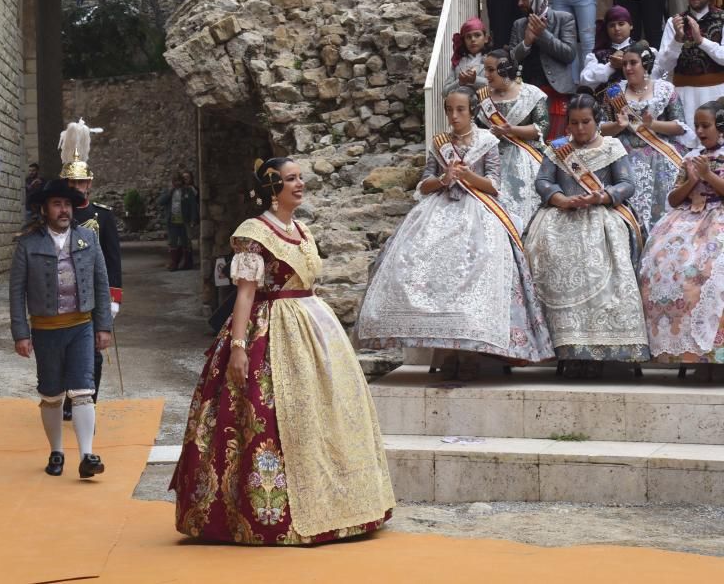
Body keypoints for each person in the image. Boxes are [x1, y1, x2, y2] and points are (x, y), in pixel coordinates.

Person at [171, 157, 395, 544]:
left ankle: (341, 505)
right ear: (272, 189)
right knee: (275, 416)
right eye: (290, 179)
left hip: (311, 325)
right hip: (271, 328)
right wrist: (239, 347)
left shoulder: (302, 229)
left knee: (325, 413)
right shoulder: (253, 233)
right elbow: (244, 294)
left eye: (300, 177)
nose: (299, 184)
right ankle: (273, 515)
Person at [355, 87, 554, 379]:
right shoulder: (440, 144)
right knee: (431, 274)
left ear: (471, 111)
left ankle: (471, 352)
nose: (454, 115)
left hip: (479, 213)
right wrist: (444, 178)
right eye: (450, 110)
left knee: (476, 273)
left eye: (460, 109)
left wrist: (469, 176)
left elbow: (494, 184)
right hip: (439, 211)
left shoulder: (487, 141)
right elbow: (424, 185)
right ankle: (446, 349)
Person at [524, 93, 650, 378]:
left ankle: (601, 349)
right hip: (560, 215)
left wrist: (603, 196)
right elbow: (543, 181)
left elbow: (626, 184)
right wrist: (560, 199)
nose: (580, 129)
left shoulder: (612, 146)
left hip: (602, 216)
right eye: (574, 123)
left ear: (597, 121)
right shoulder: (558, 149)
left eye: (586, 122)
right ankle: (567, 348)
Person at [10, 179, 113, 478]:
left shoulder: (88, 239)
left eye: (67, 204)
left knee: (83, 390)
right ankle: (56, 451)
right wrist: (21, 333)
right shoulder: (27, 244)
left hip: (81, 325)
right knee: (52, 393)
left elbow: (101, 284)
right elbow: (16, 292)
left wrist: (103, 325)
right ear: (44, 209)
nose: (64, 209)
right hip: (45, 329)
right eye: (57, 204)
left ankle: (87, 455)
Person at [639, 98, 724, 376]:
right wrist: (690, 180)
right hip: (687, 219)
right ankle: (681, 348)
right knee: (661, 264)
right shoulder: (689, 157)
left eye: (705, 125)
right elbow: (674, 199)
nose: (700, 131)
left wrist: (708, 175)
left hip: (718, 218)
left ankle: (710, 347)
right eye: (697, 125)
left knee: (706, 269)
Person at [58, 118, 123, 420]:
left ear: (90, 184)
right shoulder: (56, 215)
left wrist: (113, 298)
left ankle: (88, 400)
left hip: (95, 293)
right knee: (64, 349)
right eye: (72, 184)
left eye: (82, 183)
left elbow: (113, 260)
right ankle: (69, 398)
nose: (78, 188)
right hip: (62, 291)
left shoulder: (102, 217)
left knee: (94, 351)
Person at [598, 41, 691, 231]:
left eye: (633, 63)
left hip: (660, 155)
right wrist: (617, 126)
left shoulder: (665, 90)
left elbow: (680, 127)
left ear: (645, 64)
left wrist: (652, 124)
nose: (628, 68)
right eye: (624, 64)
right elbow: (600, 129)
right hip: (624, 156)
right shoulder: (614, 92)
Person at [475, 48, 549, 227]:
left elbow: (542, 127)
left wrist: (511, 130)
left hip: (527, 154)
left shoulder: (531, 93)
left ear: (505, 69)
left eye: (491, 70)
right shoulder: (483, 98)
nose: (486, 75)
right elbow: (477, 131)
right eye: (485, 70)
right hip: (492, 157)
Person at [511, 0, 579, 142]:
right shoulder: (519, 25)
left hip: (556, 93)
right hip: (527, 95)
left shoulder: (564, 19)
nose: (520, 3)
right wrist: (526, 42)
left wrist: (543, 35)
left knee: (557, 146)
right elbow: (511, 62)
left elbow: (569, 54)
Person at [653, 0, 724, 124]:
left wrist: (701, 41)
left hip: (717, 92)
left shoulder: (721, 19)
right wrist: (677, 40)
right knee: (686, 141)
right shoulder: (675, 23)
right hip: (684, 95)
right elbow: (663, 66)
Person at [581, 5, 656, 94]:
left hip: (639, 102)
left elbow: (656, 76)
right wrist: (610, 66)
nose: (616, 29)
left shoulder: (645, 50)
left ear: (631, 25)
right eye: (612, 25)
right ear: (606, 29)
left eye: (621, 24)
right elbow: (585, 81)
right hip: (605, 106)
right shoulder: (597, 55)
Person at [157, 173, 199, 271]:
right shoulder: (168, 191)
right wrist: (169, 193)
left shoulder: (188, 191)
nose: (177, 183)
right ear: (172, 182)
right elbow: (160, 202)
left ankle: (188, 263)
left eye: (179, 181)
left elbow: (193, 205)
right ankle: (174, 263)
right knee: (173, 242)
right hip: (172, 222)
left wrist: (193, 219)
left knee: (186, 242)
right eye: (175, 181)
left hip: (184, 221)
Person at [443, 18, 491, 97]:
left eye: (477, 35)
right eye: (468, 37)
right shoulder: (458, 62)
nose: (473, 39)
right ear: (464, 41)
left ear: (485, 38)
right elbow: (445, 92)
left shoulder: (492, 60)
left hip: (485, 107)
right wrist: (460, 82)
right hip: (460, 107)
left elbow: (497, 86)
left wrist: (475, 80)